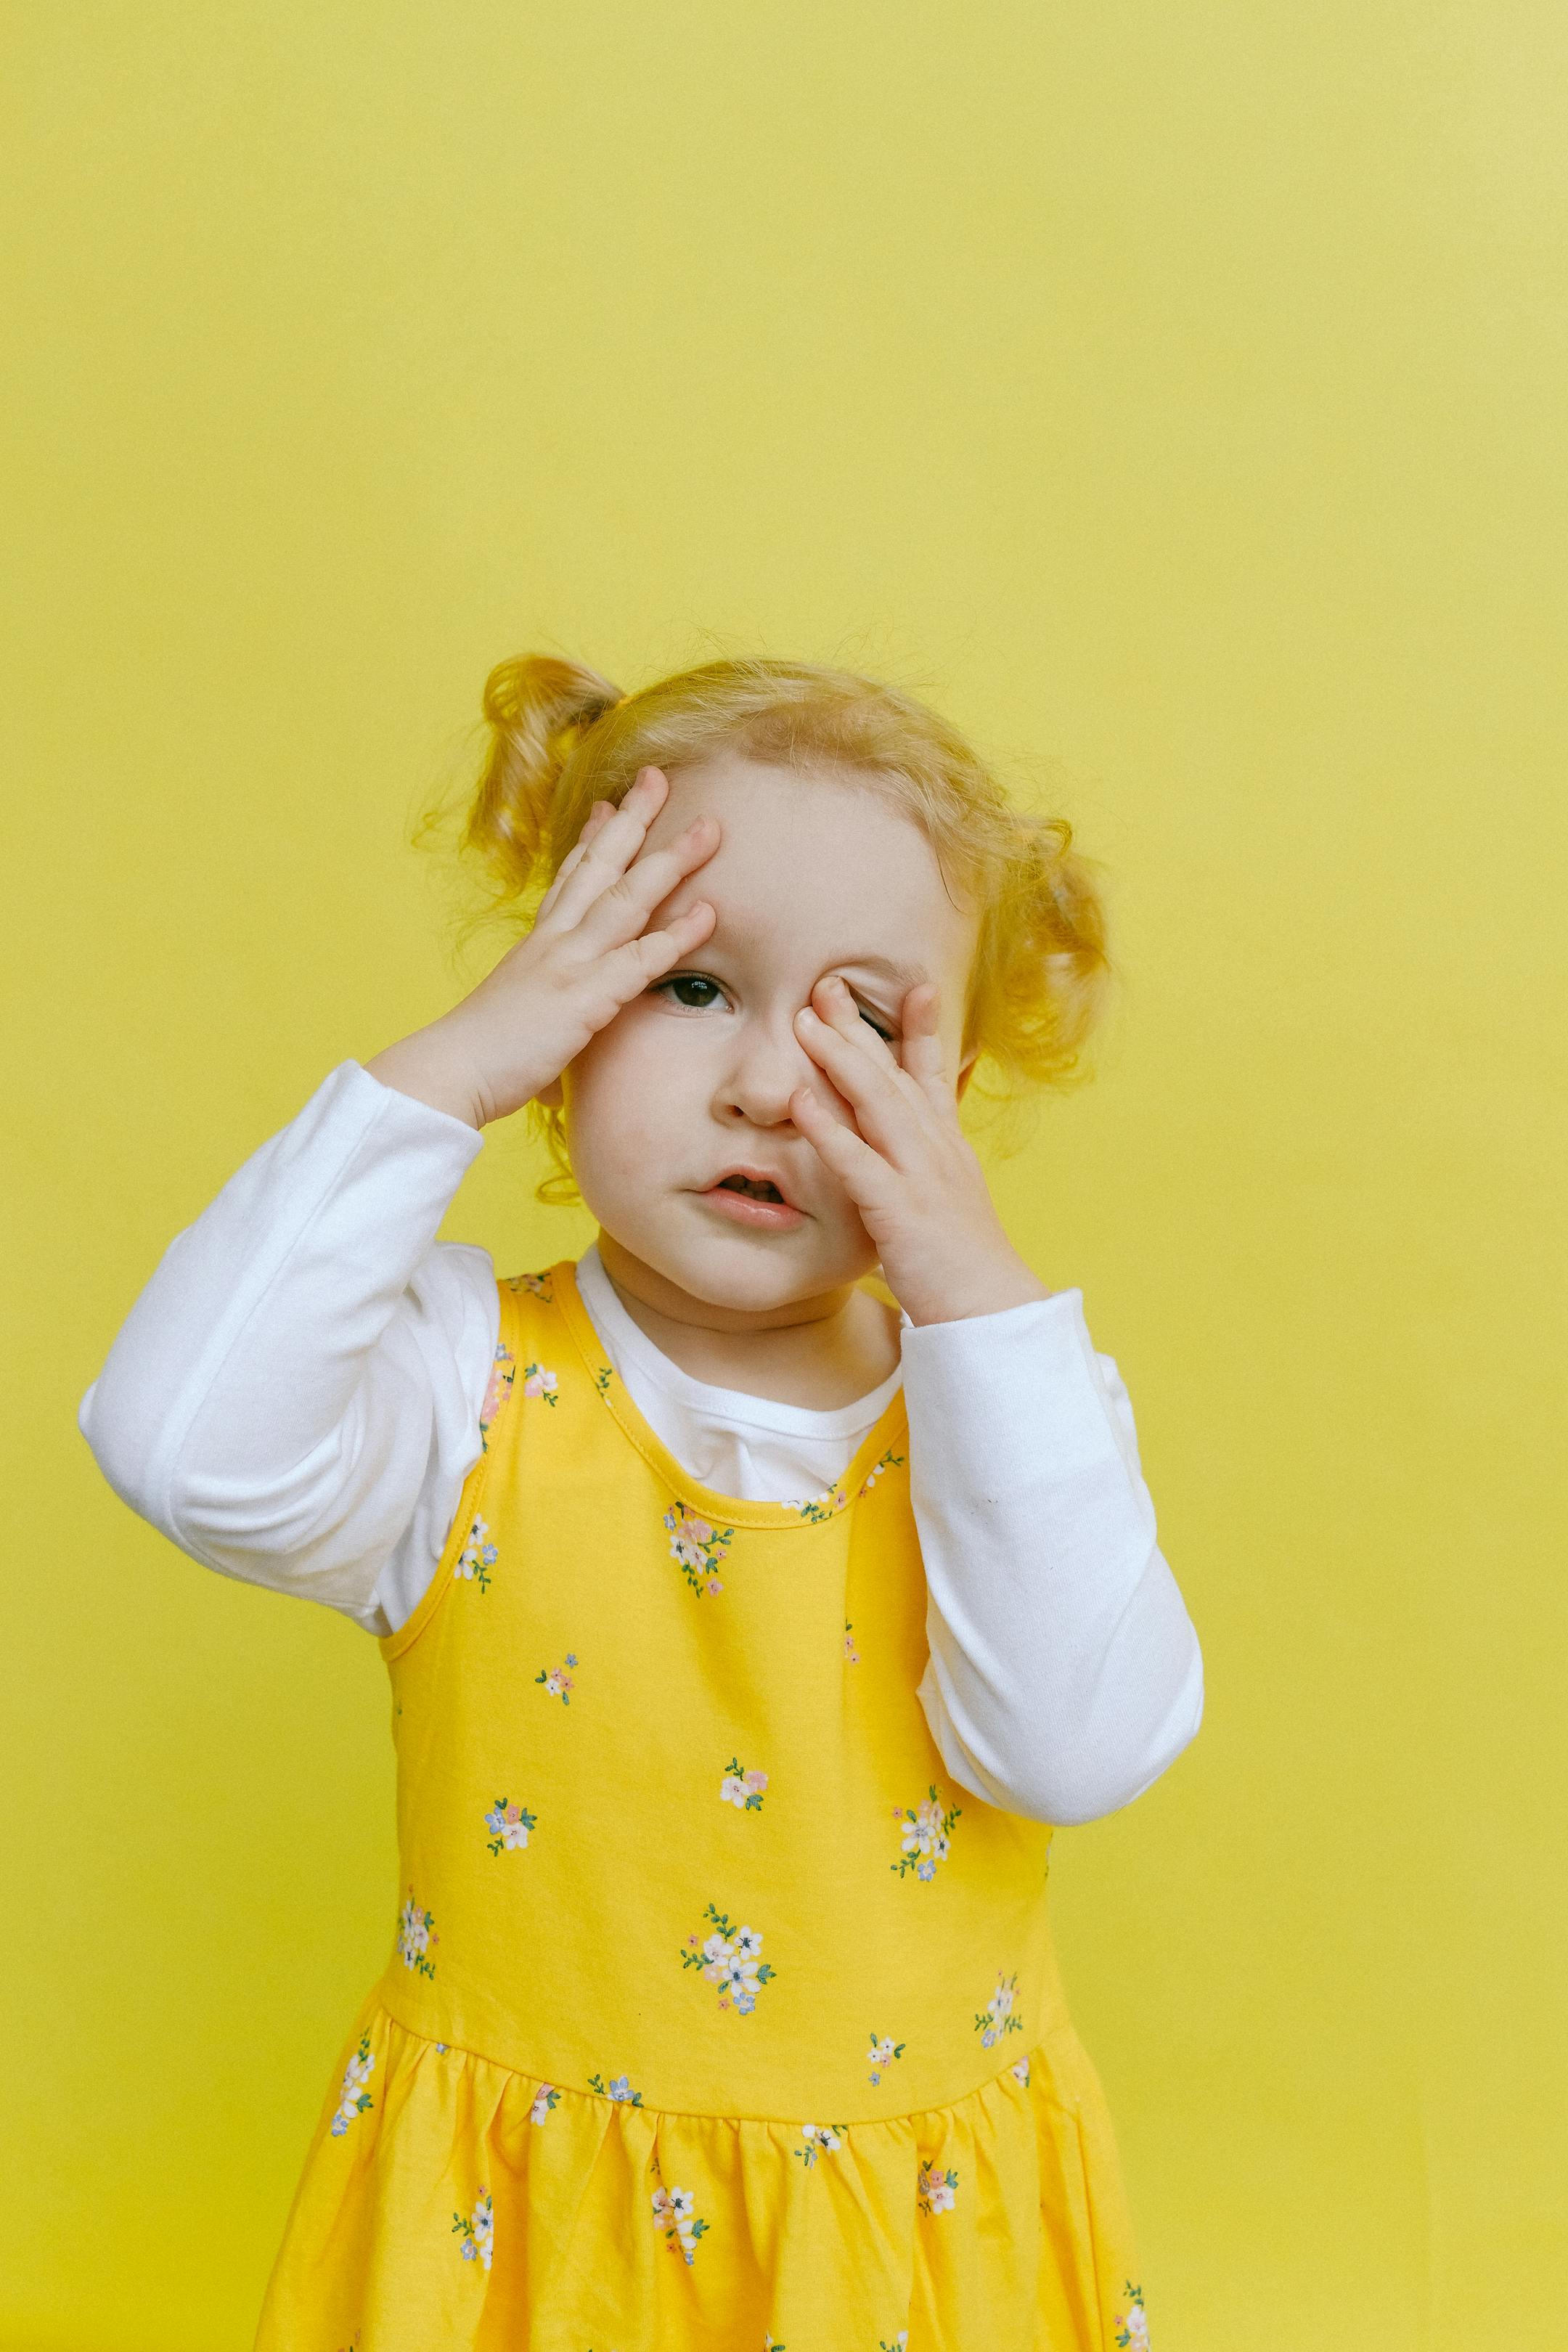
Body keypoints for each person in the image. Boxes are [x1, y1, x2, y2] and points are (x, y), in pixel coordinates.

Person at [81, 653, 1200, 2349]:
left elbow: (1074, 1749)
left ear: (950, 1101)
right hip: (531, 2253)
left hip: (897, 2258)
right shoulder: (462, 1380)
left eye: (862, 1023)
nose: (767, 1084)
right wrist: (443, 1072)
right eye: (687, 986)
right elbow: (181, 1445)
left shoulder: (1006, 1414)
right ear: (564, 1029)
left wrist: (984, 1302)